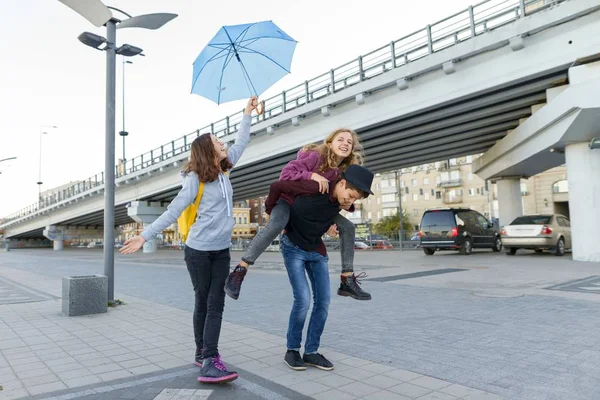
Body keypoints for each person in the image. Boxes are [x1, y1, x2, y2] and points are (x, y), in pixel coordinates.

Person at [120, 96, 259, 384]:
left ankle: (203, 353)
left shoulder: (223, 171)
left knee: (212, 302)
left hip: (221, 250)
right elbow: (173, 211)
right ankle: (210, 359)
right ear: (208, 150)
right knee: (208, 302)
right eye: (218, 141)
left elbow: (242, 142)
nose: (223, 143)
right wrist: (145, 235)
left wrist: (247, 113)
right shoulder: (195, 178)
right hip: (197, 252)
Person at [225, 128, 372, 301]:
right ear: (330, 142)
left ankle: (347, 279)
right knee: (277, 224)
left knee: (347, 226)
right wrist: (312, 175)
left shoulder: (342, 172)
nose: (345, 144)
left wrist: (330, 223)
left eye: (349, 142)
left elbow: (332, 199)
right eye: (341, 139)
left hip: (308, 207)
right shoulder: (315, 157)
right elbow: (285, 176)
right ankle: (240, 270)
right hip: (287, 200)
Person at [263, 164, 374, 370]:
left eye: (355, 199)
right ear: (341, 183)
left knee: (323, 301)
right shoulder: (315, 187)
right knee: (303, 300)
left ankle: (311, 352)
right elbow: (283, 183)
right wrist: (271, 211)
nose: (350, 201)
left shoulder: (338, 203)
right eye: (350, 194)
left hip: (317, 251)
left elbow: (329, 219)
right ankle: (292, 350)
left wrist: (330, 226)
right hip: (293, 247)